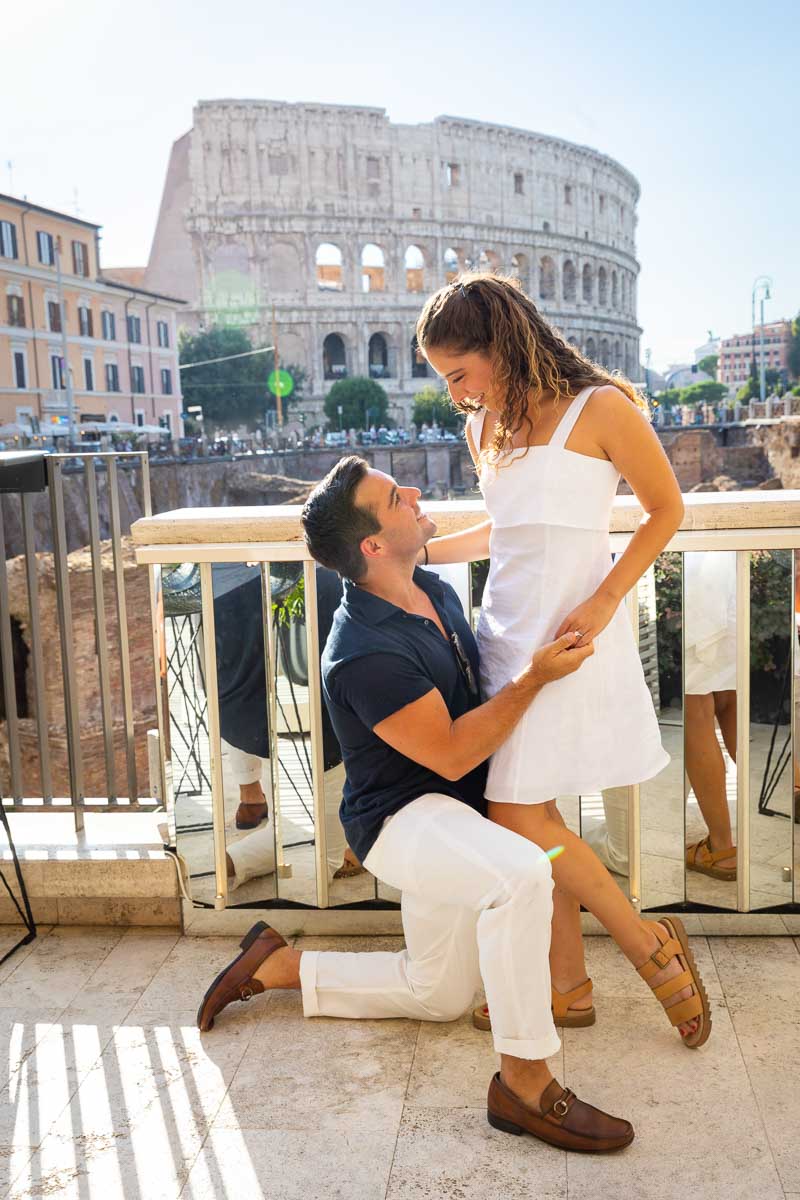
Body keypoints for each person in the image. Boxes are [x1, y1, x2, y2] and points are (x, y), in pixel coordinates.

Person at [197, 456, 636, 1153]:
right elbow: (456, 754)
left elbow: (498, 547)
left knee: (439, 995)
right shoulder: (363, 652)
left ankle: (278, 966)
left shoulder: (424, 584)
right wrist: (537, 678)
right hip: (403, 820)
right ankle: (525, 1081)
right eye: (397, 499)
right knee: (521, 875)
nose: (417, 495)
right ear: (372, 546)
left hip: (455, 814)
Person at [415, 272, 710, 1049]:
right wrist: (411, 553)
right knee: (532, 817)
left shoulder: (602, 409)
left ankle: (647, 946)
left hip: (576, 641)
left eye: (458, 373)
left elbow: (665, 509)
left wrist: (609, 600)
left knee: (518, 815)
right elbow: (504, 530)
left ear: (500, 345)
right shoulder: (484, 428)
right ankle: (569, 986)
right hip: (505, 644)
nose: (455, 394)